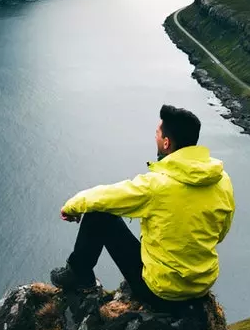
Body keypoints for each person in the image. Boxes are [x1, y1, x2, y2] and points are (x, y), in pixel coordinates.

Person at [50, 104, 235, 307]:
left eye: (157, 133)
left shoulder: (157, 185)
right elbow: (221, 233)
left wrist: (71, 206)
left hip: (161, 292)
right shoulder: (222, 180)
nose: (154, 137)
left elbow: (105, 197)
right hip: (200, 287)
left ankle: (79, 275)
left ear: (166, 143)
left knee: (98, 214)